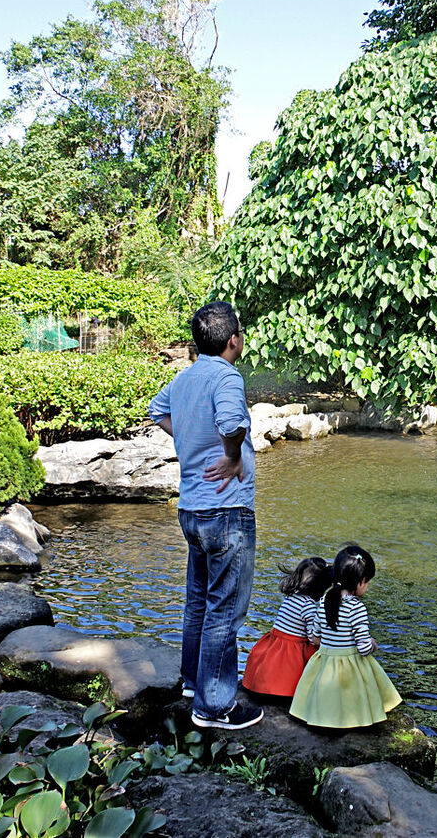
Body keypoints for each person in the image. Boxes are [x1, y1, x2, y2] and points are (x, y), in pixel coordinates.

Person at [148, 301, 263, 730]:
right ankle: (215, 707)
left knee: (198, 600)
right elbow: (233, 422)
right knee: (225, 607)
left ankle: (194, 684)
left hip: (191, 510)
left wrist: (191, 441)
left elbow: (156, 410)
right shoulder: (227, 376)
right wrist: (231, 455)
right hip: (227, 509)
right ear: (233, 339)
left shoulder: (185, 377)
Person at [290, 545, 402, 729]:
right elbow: (363, 647)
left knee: (323, 691)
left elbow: (314, 636)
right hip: (349, 665)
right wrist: (373, 644)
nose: (367, 586)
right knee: (363, 673)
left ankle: (321, 716)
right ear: (359, 582)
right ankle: (356, 717)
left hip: (325, 661)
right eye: (367, 582)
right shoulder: (357, 608)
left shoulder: (324, 600)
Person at [242, 557, 332, 698]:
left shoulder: (291, 596)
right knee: (316, 650)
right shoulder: (308, 607)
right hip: (289, 654)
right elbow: (312, 638)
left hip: (274, 646)